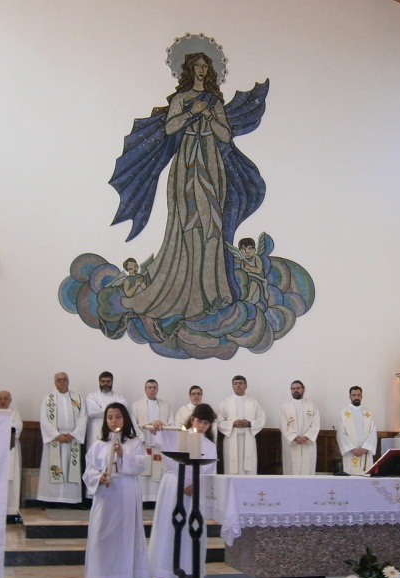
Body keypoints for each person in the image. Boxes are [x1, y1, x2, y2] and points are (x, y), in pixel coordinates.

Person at [120, 52, 234, 325]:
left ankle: (215, 291)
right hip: (188, 160)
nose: (202, 70)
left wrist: (210, 116)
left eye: (205, 66)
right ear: (189, 69)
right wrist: (190, 112)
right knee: (189, 221)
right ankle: (189, 292)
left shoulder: (215, 101)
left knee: (213, 224)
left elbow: (225, 135)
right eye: (197, 66)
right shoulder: (181, 99)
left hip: (210, 161)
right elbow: (170, 128)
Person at [146, 403, 218, 578]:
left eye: (205, 423)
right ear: (192, 419)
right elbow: (154, 434)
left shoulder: (210, 446)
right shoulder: (176, 435)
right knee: (166, 533)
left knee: (189, 535)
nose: (201, 426)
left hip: (194, 493)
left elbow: (209, 473)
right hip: (172, 487)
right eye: (198, 421)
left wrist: (196, 485)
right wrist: (156, 425)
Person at [79, 404, 150, 578]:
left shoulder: (135, 443)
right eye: (110, 417)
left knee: (123, 540)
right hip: (106, 494)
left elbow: (141, 465)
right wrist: (98, 478)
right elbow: (89, 470)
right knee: (100, 536)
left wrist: (122, 455)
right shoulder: (98, 444)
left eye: (118, 416)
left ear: (125, 419)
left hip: (126, 492)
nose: (113, 421)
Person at [37, 372, 87, 505]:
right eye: (59, 380)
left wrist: (73, 434)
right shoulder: (48, 399)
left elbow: (83, 419)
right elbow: (44, 420)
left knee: (71, 470)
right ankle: (51, 499)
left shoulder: (78, 399)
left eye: (65, 380)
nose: (62, 383)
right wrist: (56, 435)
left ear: (68, 381)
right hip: (55, 439)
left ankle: (70, 499)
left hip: (72, 439)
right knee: (54, 470)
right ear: (55, 382)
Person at [132, 379, 174, 503]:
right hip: (144, 444)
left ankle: (157, 499)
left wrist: (162, 435)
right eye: (149, 387)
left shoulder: (165, 405)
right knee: (144, 470)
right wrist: (143, 437)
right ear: (145, 389)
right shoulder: (137, 405)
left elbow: (171, 423)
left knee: (158, 471)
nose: (152, 390)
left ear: (157, 389)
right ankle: (143, 499)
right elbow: (133, 423)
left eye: (154, 387)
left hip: (160, 446)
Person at [217, 375, 266, 475]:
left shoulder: (253, 402)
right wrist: (232, 423)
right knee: (232, 468)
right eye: (235, 383)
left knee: (249, 468)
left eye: (240, 383)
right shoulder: (225, 403)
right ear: (232, 386)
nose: (238, 385)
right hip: (231, 439)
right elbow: (219, 421)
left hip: (248, 438)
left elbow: (261, 419)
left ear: (246, 386)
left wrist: (249, 423)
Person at [280, 380, 320, 475]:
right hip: (292, 444)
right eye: (293, 388)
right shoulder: (285, 407)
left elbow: (316, 424)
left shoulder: (311, 405)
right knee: (291, 470)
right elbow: (283, 425)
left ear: (303, 389)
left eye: (298, 388)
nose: (295, 390)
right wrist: (295, 437)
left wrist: (307, 436)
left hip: (307, 443)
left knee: (307, 469)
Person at [337, 386, 377, 476]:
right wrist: (352, 449)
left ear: (362, 396)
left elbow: (373, 433)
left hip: (365, 453)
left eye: (358, 395)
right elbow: (341, 434)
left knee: (366, 476)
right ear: (350, 397)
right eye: (354, 395)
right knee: (350, 477)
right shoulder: (343, 413)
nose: (356, 397)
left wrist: (364, 448)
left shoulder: (369, 413)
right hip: (351, 453)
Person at [0, 390, 24, 516]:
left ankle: (11, 510)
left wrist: (1, 428)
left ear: (10, 400)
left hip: (11, 448)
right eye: (0, 398)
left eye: (5, 398)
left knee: (12, 478)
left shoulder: (15, 414)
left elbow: (17, 428)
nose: (3, 401)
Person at [84, 371, 127, 448]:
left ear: (112, 382)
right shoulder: (91, 397)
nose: (105, 383)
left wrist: (100, 409)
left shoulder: (120, 397)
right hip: (95, 432)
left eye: (108, 381)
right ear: (99, 382)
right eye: (103, 381)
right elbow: (92, 412)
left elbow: (122, 411)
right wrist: (113, 412)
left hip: (113, 431)